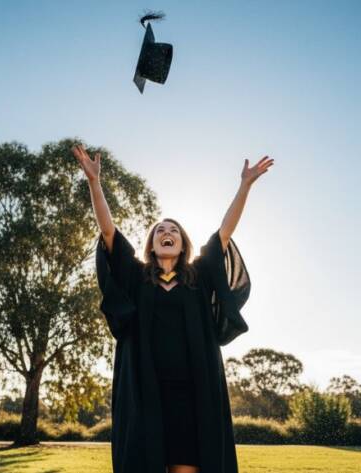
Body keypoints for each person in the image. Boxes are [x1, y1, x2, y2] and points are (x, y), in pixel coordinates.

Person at [72, 143, 274, 473]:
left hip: (193, 391)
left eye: (174, 231)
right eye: (160, 231)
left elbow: (224, 232)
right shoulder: (137, 277)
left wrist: (244, 186)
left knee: (189, 465)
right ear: (151, 244)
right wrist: (95, 183)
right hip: (145, 389)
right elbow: (108, 231)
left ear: (183, 244)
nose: (167, 233)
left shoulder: (198, 275)